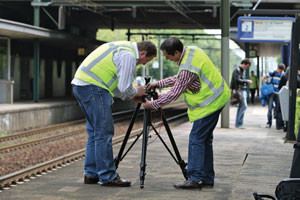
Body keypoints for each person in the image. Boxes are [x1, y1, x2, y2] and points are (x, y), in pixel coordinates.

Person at [143, 37, 230, 189]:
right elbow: (181, 78)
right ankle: (207, 178)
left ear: (176, 52)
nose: (166, 59)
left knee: (196, 139)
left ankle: (195, 178)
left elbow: (175, 93)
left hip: (210, 104)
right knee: (204, 140)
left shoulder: (187, 68)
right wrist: (159, 83)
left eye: (167, 56)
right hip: (218, 98)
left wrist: (152, 104)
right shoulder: (192, 52)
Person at [71, 40, 157, 187]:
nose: (143, 64)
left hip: (82, 85)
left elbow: (116, 85)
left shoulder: (121, 48)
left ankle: (91, 174)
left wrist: (131, 96)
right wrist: (137, 91)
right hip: (94, 88)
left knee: (95, 132)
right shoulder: (129, 55)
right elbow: (125, 86)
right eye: (146, 60)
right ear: (142, 53)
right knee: (104, 133)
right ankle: (107, 176)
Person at [230, 59, 252, 129]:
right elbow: (237, 80)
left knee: (241, 106)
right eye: (247, 66)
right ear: (244, 64)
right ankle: (239, 123)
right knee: (244, 106)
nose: (247, 68)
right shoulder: (237, 70)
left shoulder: (241, 70)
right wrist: (246, 81)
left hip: (243, 90)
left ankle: (239, 124)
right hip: (240, 90)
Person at [262, 63, 285, 129]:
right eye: (279, 70)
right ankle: (269, 123)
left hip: (278, 93)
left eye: (281, 70)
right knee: (269, 109)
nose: (280, 71)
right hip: (271, 93)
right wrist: (267, 84)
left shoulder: (283, 75)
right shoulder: (273, 73)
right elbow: (263, 77)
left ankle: (278, 125)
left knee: (277, 109)